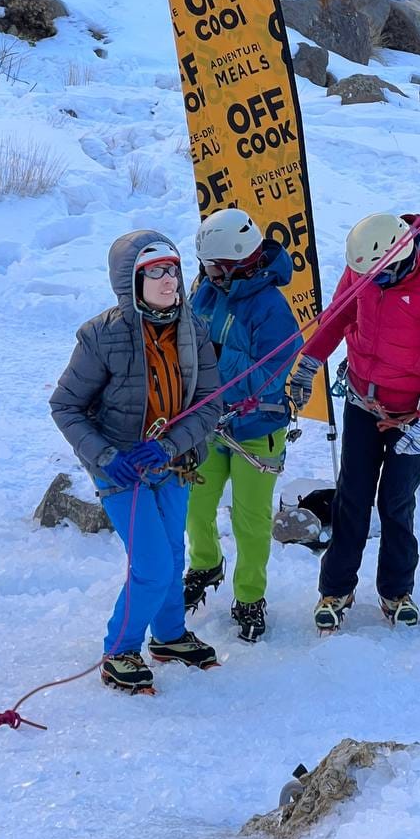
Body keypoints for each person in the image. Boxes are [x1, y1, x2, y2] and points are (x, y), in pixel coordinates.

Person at [50, 229, 223, 693]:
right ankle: (120, 650)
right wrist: (106, 456)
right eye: (156, 272)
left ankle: (168, 637)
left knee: (172, 556)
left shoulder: (193, 329)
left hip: (172, 464)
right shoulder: (101, 336)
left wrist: (169, 446)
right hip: (121, 470)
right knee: (152, 565)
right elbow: (65, 406)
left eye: (174, 270)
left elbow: (210, 403)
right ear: (131, 280)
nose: (169, 281)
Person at [289, 212, 420, 632]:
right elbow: (338, 315)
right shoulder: (365, 270)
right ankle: (335, 589)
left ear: (401, 257)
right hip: (362, 402)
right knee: (351, 496)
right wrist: (310, 360)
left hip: (412, 414)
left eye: (381, 275)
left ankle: (396, 591)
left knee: (396, 501)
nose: (372, 282)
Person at [183, 207, 302, 642]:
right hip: (209, 422)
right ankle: (205, 563)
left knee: (250, 520)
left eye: (213, 266)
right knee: (195, 504)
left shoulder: (271, 309)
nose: (206, 273)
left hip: (256, 428)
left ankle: (250, 595)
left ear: (234, 262)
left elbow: (271, 373)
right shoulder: (207, 290)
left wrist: (214, 359)